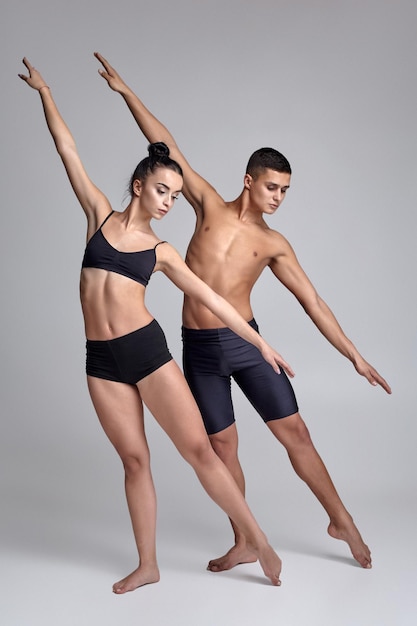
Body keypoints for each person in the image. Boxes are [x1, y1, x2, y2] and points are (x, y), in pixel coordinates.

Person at [94, 52, 392, 573]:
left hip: (245, 343)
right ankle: (245, 540)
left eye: (285, 190)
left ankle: (341, 519)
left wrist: (355, 357)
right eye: (272, 186)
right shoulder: (206, 203)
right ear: (250, 180)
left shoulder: (274, 243)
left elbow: (313, 301)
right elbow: (167, 144)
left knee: (295, 433)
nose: (278, 197)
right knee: (221, 444)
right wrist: (126, 93)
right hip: (200, 350)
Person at [17, 57, 297, 593]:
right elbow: (67, 150)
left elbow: (214, 300)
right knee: (134, 460)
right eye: (163, 190)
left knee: (197, 452)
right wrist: (46, 94)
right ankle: (148, 564)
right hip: (100, 361)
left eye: (175, 193)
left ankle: (257, 538)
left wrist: (262, 344)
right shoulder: (98, 214)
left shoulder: (162, 250)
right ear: (140, 184)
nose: (170, 201)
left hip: (147, 354)